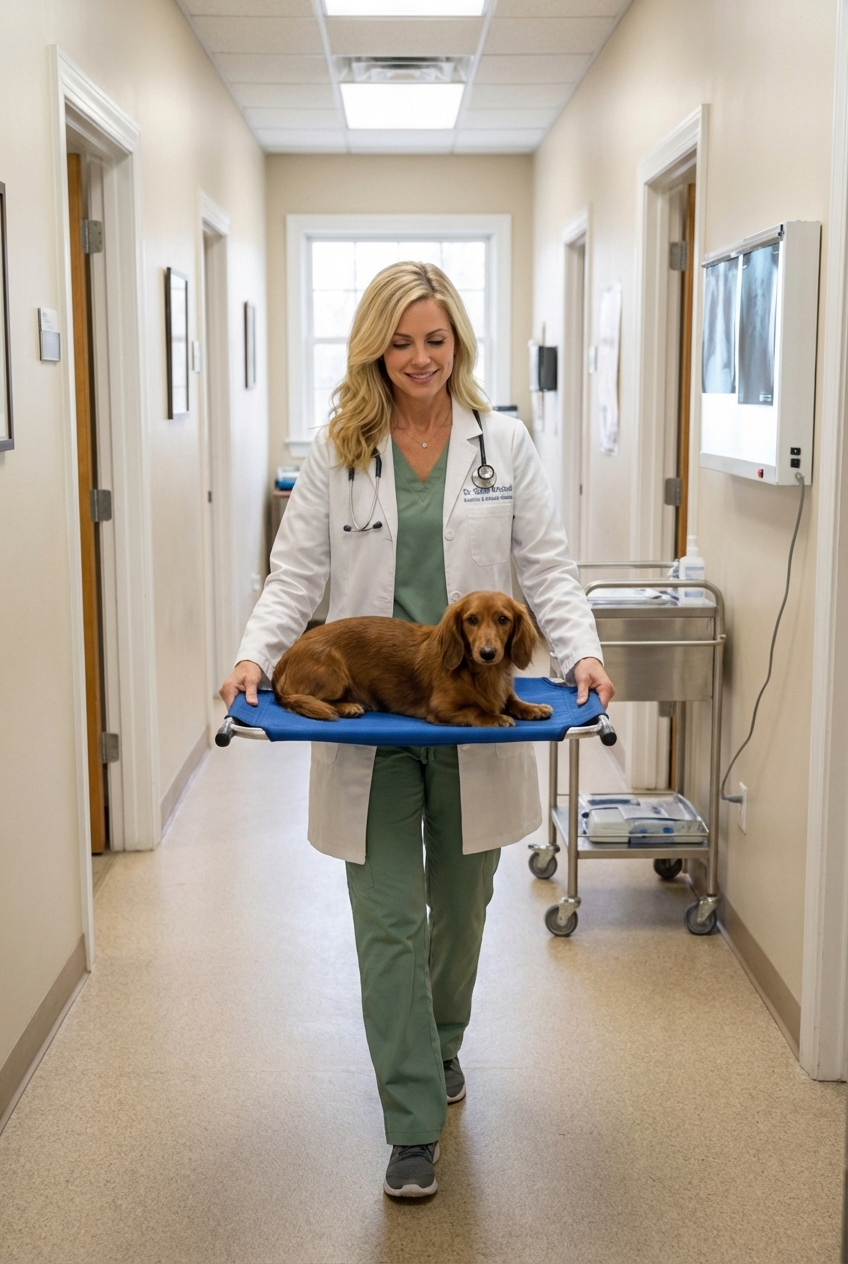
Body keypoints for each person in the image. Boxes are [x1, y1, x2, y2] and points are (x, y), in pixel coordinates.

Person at [220, 262, 614, 1199]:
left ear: (458, 345)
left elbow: (548, 566)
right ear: (374, 348)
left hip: (476, 727)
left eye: (435, 340)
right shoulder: (340, 448)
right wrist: (252, 655)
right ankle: (410, 1121)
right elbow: (293, 576)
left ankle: (440, 1045)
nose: (419, 358)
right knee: (387, 918)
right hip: (380, 722)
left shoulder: (502, 444)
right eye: (400, 341)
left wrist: (583, 653)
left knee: (463, 913)